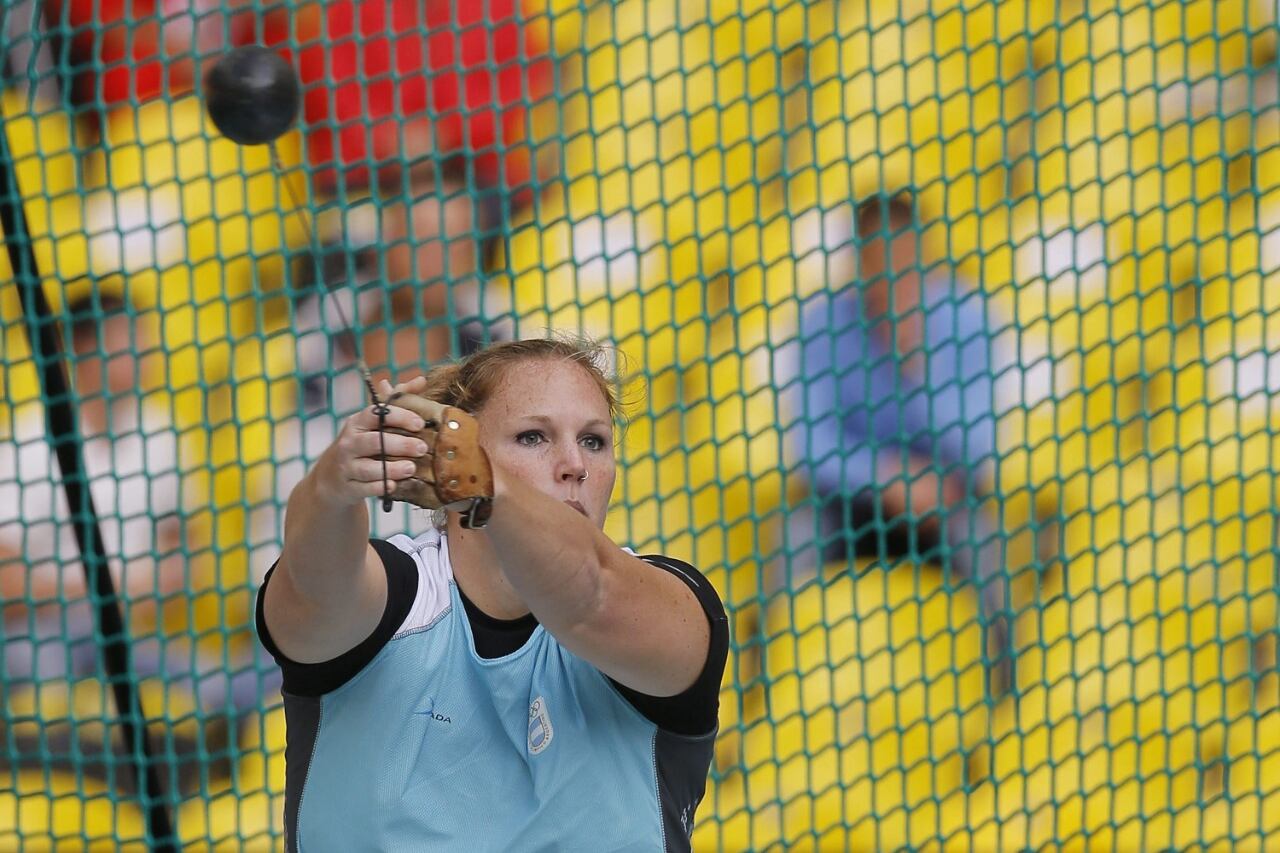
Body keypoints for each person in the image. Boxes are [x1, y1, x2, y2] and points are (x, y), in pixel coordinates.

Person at [255, 338, 729, 851]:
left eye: (594, 441)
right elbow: (310, 590)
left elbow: (590, 594)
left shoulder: (669, 600)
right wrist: (330, 487)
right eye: (532, 437)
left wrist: (490, 486)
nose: (575, 464)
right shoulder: (390, 596)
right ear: (443, 457)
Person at [776, 193, 1012, 689]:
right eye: (876, 257)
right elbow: (810, 446)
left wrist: (918, 363)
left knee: (991, 562)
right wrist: (884, 478)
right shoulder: (822, 325)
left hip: (943, 499)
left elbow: (979, 443)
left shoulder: (967, 319)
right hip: (852, 504)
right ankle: (770, 690)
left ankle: (1004, 702)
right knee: (791, 549)